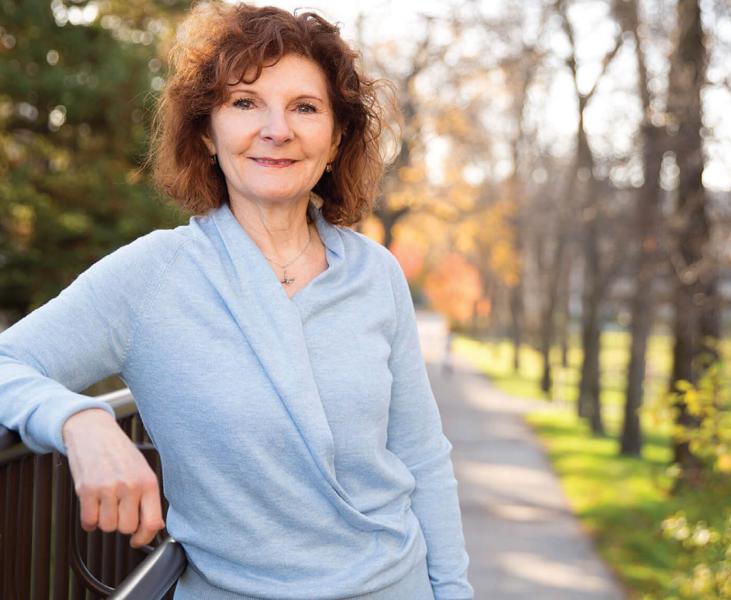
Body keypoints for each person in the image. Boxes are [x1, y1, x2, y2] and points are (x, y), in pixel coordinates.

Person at [0, 4, 473, 599]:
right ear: (206, 131)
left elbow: (422, 457)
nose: (277, 129)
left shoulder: (375, 273)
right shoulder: (153, 275)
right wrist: (79, 419)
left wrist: (452, 592)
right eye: (245, 103)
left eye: (305, 107)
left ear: (336, 139)